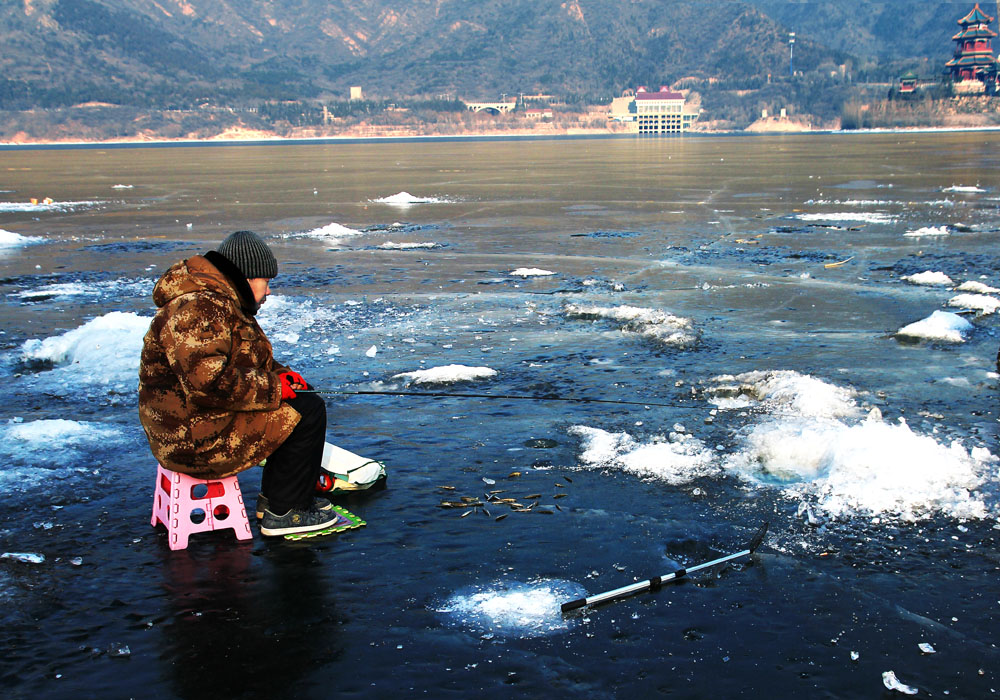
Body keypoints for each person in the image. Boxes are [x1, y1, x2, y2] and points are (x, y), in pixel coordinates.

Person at [139, 230, 339, 537]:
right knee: (306, 412)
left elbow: (246, 359)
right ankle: (285, 513)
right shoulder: (198, 309)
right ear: (247, 276)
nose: (269, 291)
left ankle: (276, 500)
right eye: (266, 281)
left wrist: (280, 374)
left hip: (201, 422)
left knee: (303, 398)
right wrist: (274, 389)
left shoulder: (222, 302)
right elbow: (209, 383)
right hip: (190, 439)